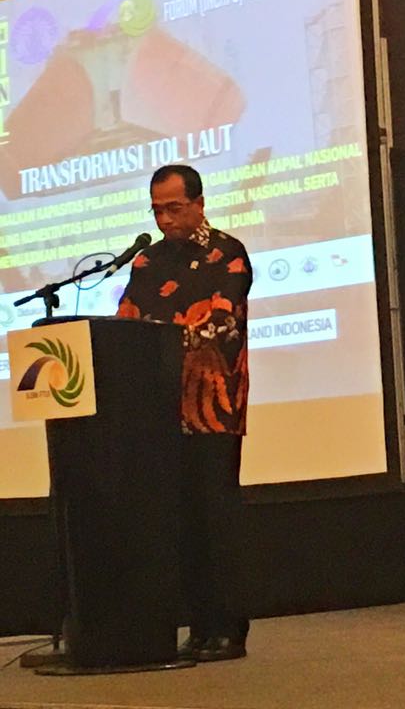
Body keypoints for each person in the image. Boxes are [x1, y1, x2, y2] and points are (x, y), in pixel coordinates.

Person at [117, 164, 253, 662]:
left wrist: (163, 343)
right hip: (158, 411)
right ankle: (198, 625)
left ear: (198, 203)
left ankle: (227, 629)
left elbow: (221, 322)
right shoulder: (147, 261)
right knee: (180, 522)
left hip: (212, 408)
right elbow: (126, 323)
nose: (164, 219)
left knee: (214, 517)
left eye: (174, 208)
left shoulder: (227, 252)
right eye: (157, 210)